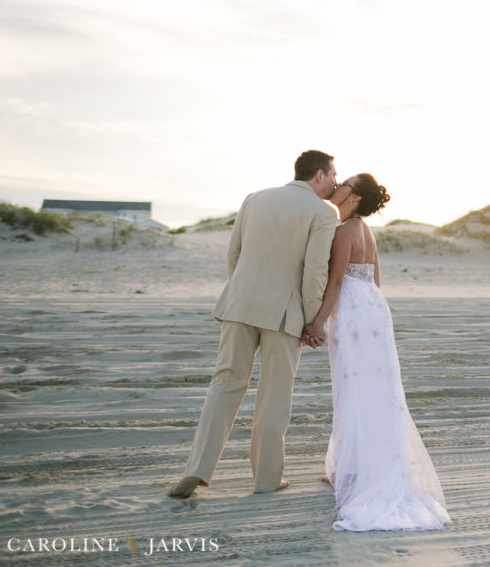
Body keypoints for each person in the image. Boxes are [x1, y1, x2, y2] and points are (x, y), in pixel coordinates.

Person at [168, 150, 340, 498]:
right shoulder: (323, 212)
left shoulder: (255, 199)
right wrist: (312, 321)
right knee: (274, 397)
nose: (336, 182)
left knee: (224, 386)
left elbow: (234, 253)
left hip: (240, 305)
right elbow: (314, 272)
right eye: (334, 175)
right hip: (283, 314)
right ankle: (266, 479)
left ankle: (197, 469)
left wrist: (243, 293)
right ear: (319, 175)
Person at [304, 173, 450, 531]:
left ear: (353, 197)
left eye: (345, 184)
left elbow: (337, 280)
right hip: (373, 308)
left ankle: (354, 470)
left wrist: (318, 322)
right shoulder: (366, 230)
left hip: (353, 310)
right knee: (375, 387)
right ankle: (352, 465)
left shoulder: (344, 231)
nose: (337, 187)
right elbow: (376, 280)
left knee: (353, 385)